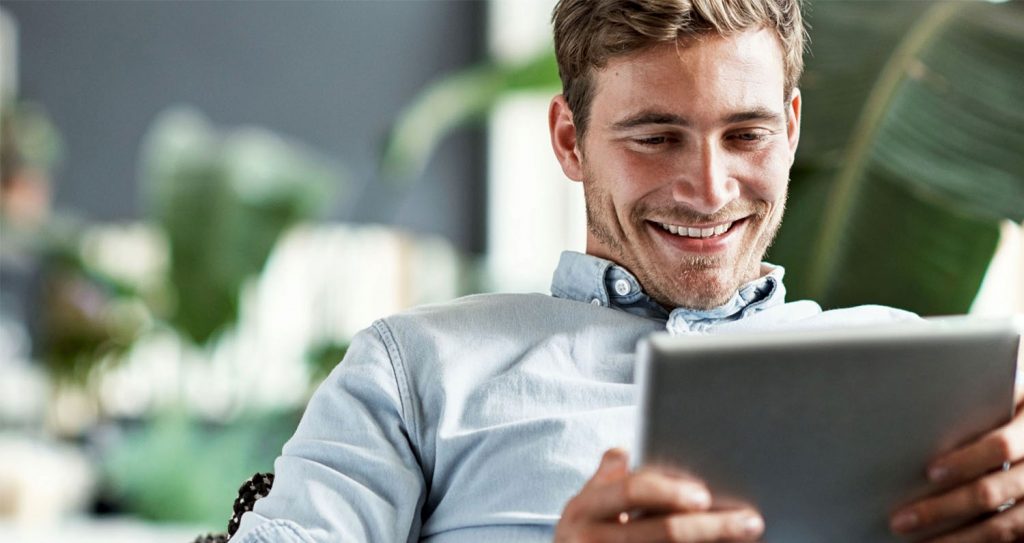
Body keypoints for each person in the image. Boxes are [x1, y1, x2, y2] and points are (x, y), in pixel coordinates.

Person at [233, 1, 1024, 541]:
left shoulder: (919, 372)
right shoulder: (419, 370)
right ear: (570, 142)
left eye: (745, 134)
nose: (711, 189)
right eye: (656, 137)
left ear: (790, 129)